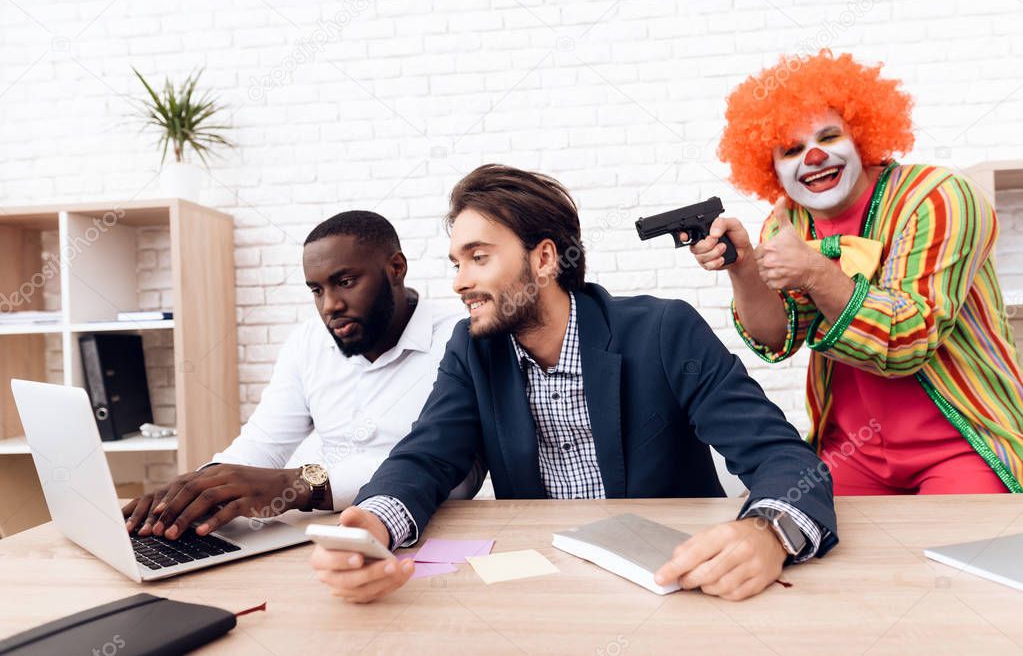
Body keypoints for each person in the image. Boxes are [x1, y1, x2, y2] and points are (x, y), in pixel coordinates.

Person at [310, 164, 837, 604]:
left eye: (478, 257)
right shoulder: (471, 350)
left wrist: (770, 531)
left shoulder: (663, 331)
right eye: (456, 262)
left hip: (673, 587)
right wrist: (371, 526)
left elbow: (784, 458)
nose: (459, 281)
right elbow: (426, 457)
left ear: (542, 259)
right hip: (546, 588)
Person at [686, 49, 1023, 495]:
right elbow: (776, 337)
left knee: (956, 561)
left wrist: (813, 272)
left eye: (828, 137)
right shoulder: (789, 223)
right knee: (805, 542)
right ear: (772, 168)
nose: (813, 157)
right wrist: (744, 266)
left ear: (861, 137)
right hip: (853, 450)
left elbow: (909, 340)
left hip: (961, 441)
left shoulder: (939, 198)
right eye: (792, 149)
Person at [122, 210, 480, 540]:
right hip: (319, 534)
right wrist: (193, 491)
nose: (330, 306)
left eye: (346, 281)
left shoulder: (460, 340)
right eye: (316, 290)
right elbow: (263, 442)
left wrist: (300, 484)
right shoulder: (308, 342)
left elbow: (455, 472)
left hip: (427, 531)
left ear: (396, 267)